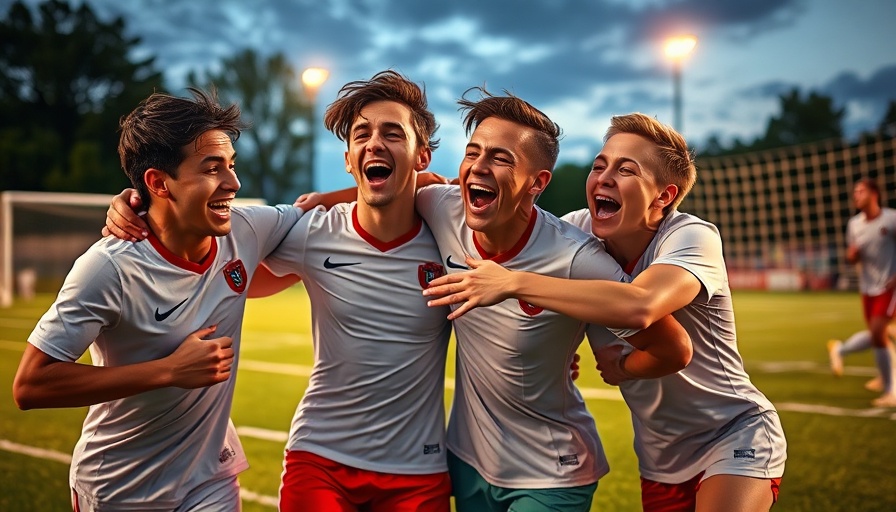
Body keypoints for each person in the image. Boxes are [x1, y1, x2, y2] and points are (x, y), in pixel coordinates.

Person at [103, 71, 454, 512]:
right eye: (361, 134)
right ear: (348, 159)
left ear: (421, 155)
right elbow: (233, 277)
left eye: (392, 133)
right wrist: (140, 205)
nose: (374, 143)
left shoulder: (451, 233)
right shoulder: (313, 232)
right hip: (321, 459)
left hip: (418, 470)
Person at [424, 112, 787, 512]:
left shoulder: (691, 236)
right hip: (660, 454)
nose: (605, 177)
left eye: (626, 169)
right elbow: (549, 272)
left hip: (733, 430)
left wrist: (514, 281)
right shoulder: (578, 231)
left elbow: (641, 305)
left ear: (663, 197)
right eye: (600, 166)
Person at [12, 88, 305, 511]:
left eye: (231, 166)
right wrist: (168, 371)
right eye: (212, 169)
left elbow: (322, 211)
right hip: (122, 485)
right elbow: (30, 385)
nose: (234, 183)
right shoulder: (108, 268)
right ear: (157, 182)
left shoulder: (245, 228)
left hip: (209, 479)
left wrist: (419, 185)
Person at [414, 91, 691, 512]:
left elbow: (672, 347)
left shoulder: (577, 257)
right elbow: (392, 189)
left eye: (502, 159)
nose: (479, 168)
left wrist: (619, 369)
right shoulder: (443, 207)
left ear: (537, 183)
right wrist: (316, 203)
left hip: (551, 472)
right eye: (474, 153)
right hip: (469, 462)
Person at [827, 177, 896, 406]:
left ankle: (890, 390)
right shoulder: (854, 225)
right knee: (880, 334)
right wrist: (852, 255)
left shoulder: (891, 219)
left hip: (890, 286)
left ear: (874, 194)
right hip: (868, 287)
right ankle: (841, 349)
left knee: (879, 332)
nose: (856, 195)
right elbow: (851, 256)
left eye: (861, 191)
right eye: (855, 192)